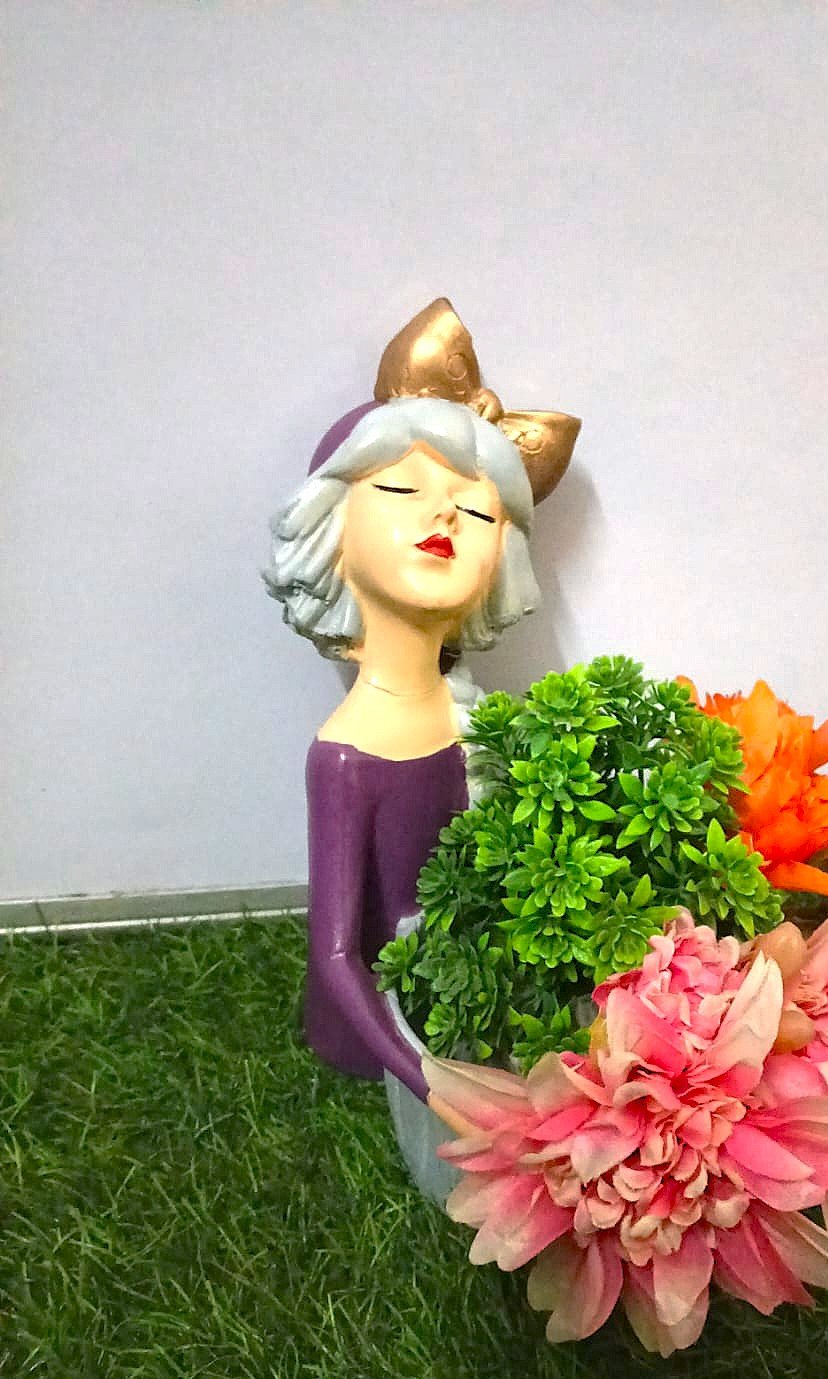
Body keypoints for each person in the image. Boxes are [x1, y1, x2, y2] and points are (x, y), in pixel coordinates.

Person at [263, 300, 579, 1102]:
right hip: (378, 1030)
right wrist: (429, 1081)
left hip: (471, 1001)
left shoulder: (482, 724)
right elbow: (337, 955)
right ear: (329, 529)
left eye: (475, 510)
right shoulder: (347, 754)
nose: (443, 512)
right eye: (403, 487)